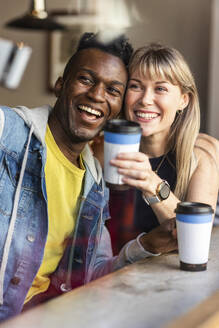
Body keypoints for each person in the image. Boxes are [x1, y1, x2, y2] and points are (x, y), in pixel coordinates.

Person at [0, 33, 177, 322]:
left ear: (118, 107)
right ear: (61, 84)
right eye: (85, 79)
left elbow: (92, 274)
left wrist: (147, 246)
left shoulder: (93, 181)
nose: (97, 95)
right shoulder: (8, 132)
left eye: (113, 90)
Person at [108, 42, 219, 236]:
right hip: (120, 264)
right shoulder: (106, 147)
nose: (145, 99)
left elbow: (195, 237)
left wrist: (151, 183)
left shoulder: (202, 154)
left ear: (183, 100)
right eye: (135, 86)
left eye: (160, 89)